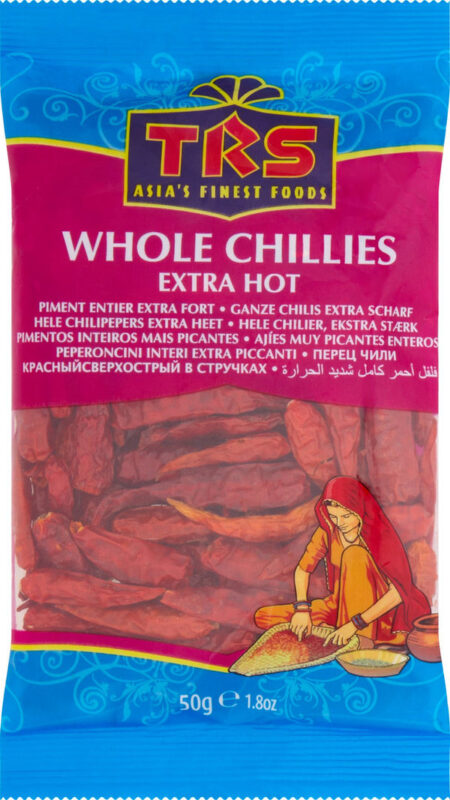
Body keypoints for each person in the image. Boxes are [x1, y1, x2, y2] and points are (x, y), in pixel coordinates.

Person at [255, 476, 431, 646]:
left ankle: (359, 639)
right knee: (264, 617)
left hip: (378, 612)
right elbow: (303, 570)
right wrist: (302, 609)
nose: (340, 523)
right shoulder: (328, 531)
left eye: (346, 516)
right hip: (340, 603)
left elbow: (398, 591)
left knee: (354, 554)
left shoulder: (379, 535)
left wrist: (355, 624)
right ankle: (333, 630)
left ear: (360, 508)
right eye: (334, 516)